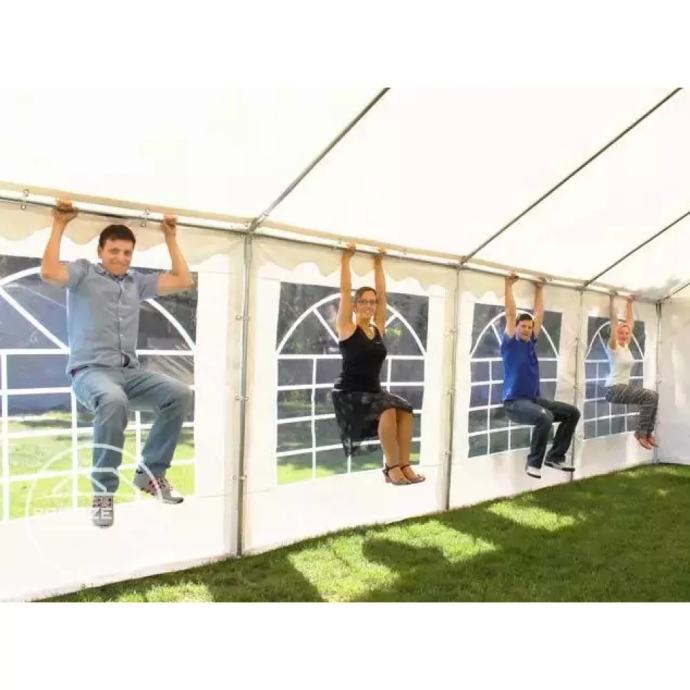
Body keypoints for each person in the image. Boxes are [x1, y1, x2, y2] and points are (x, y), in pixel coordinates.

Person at [41, 200, 195, 527]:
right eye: (114, 251)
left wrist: (170, 237)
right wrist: (59, 224)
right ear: (100, 251)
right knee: (113, 400)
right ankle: (103, 493)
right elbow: (50, 272)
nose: (121, 258)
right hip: (91, 372)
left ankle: (151, 474)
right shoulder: (83, 273)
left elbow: (184, 280)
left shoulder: (136, 282)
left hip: (130, 373)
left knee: (180, 393)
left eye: (127, 252)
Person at [331, 243, 424, 485]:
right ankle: (391, 468)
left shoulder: (378, 328)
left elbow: (383, 297)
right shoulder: (347, 327)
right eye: (363, 301)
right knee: (388, 409)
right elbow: (345, 291)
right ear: (355, 306)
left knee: (406, 409)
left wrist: (378, 263)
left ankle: (404, 465)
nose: (369, 306)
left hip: (373, 391)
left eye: (372, 302)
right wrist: (346, 259)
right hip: (350, 392)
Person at [501, 274, 580, 479]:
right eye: (523, 326)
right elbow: (511, 313)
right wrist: (508, 285)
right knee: (545, 417)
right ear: (516, 327)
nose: (527, 329)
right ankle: (533, 463)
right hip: (514, 403)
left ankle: (555, 457)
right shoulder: (510, 344)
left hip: (534, 400)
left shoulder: (530, 342)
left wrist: (539, 289)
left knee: (572, 413)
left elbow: (539, 315)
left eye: (529, 327)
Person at [604, 293, 658, 450]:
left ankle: (647, 433)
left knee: (654, 396)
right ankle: (640, 433)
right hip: (613, 389)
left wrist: (629, 304)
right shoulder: (613, 347)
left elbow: (629, 323)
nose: (624, 335)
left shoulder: (626, 346)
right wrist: (612, 300)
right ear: (616, 333)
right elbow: (615, 323)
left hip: (622, 388)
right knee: (649, 396)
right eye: (621, 333)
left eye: (627, 333)